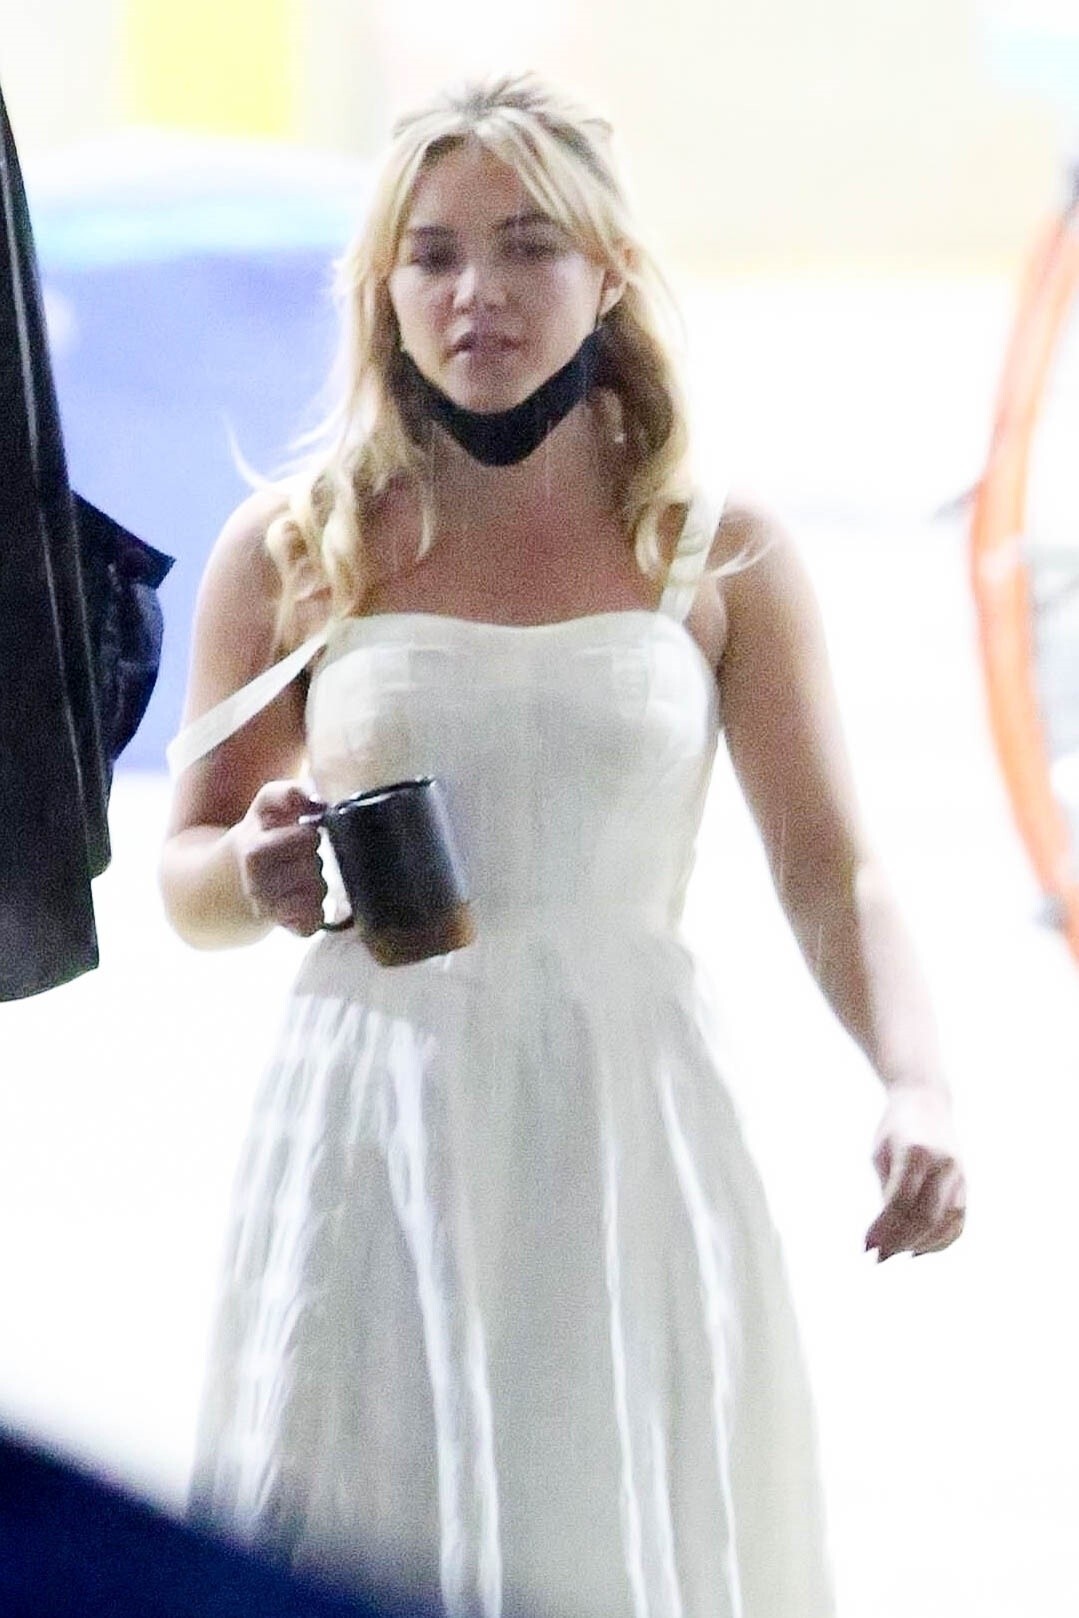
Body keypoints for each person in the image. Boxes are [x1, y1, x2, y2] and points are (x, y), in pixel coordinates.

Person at [160, 75, 966, 1618]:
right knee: (361, 1527)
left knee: (613, 1533)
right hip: (378, 1118)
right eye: (434, 253)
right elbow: (187, 875)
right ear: (384, 292)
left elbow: (834, 870)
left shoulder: (716, 544)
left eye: (529, 245)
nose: (478, 290)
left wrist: (915, 1079)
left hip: (626, 1118)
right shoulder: (297, 544)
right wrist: (249, 875)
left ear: (609, 274)